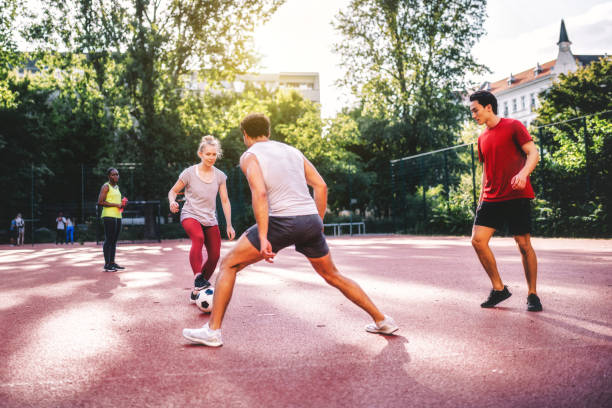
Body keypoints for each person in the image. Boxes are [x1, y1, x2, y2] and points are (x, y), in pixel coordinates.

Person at [182, 113, 397, 347]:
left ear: (245, 135)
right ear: (269, 132)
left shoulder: (249, 156)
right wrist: (318, 220)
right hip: (310, 221)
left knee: (229, 264)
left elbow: (260, 193)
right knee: (332, 274)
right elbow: (321, 186)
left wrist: (263, 237)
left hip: (281, 222)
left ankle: (213, 331)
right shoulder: (293, 151)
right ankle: (382, 320)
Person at [469, 90, 542, 312]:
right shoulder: (482, 138)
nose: (473, 115)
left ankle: (532, 294)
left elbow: (533, 153)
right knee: (477, 241)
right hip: (492, 197)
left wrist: (523, 174)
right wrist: (481, 199)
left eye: (475, 110)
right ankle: (499, 288)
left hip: (515, 195)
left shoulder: (513, 126)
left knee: (523, 244)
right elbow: (486, 170)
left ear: (488, 107)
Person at [168, 135, 235, 303]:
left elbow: (225, 200)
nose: (211, 157)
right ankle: (198, 276)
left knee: (214, 256)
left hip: (209, 219)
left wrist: (229, 224)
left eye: (214, 154)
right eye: (208, 154)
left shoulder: (220, 176)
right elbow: (173, 191)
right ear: (201, 154)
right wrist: (172, 202)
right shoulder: (189, 173)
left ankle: (197, 288)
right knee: (198, 238)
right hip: (190, 214)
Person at [97, 168, 127, 272]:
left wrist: (122, 204)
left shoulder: (117, 187)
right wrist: (116, 204)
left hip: (118, 216)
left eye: (117, 174)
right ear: (109, 176)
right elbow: (100, 202)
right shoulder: (106, 186)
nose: (116, 176)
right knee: (109, 240)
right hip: (108, 216)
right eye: (113, 175)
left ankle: (112, 263)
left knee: (114, 241)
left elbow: (116, 202)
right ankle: (107, 264)